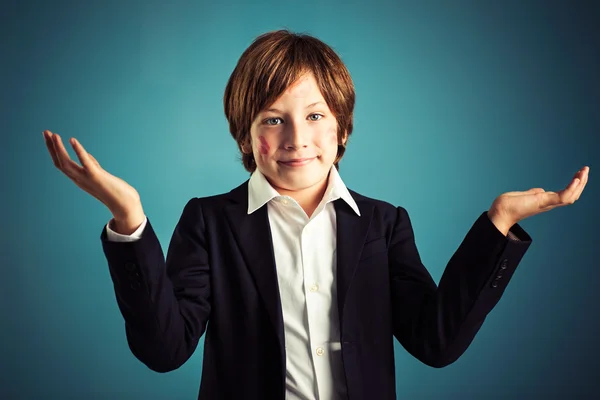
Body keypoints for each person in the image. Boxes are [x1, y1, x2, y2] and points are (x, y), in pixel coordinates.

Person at [43, 29, 589, 400]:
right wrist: (128, 218)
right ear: (246, 135)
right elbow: (165, 351)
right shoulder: (209, 222)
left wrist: (497, 224)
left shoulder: (383, 224)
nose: (296, 139)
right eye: (273, 119)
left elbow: (436, 342)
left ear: (342, 128)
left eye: (314, 115)